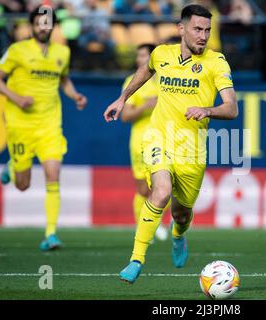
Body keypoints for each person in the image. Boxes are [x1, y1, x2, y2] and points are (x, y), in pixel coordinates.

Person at [103, 4, 238, 284]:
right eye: (198, 29)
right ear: (182, 29)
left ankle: (179, 236)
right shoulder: (162, 54)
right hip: (158, 138)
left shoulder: (216, 62)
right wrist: (123, 98)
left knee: (181, 212)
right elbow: (146, 68)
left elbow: (232, 108)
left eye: (207, 30)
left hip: (192, 149)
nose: (203, 35)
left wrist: (208, 110)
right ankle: (136, 259)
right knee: (161, 191)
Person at [0, 5, 88, 251]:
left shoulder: (62, 52)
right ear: (32, 26)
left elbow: (63, 78)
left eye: (48, 23)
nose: (44, 27)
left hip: (49, 124)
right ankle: (13, 163)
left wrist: (74, 95)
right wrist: (16, 98)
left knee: (53, 175)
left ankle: (51, 234)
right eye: (39, 23)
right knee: (22, 185)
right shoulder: (17, 50)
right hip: (20, 123)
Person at [120, 43, 168, 242]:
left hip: (165, 141)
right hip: (140, 142)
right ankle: (143, 227)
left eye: (144, 56)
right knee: (143, 190)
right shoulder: (132, 82)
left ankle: (154, 224)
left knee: (164, 187)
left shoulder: (168, 80)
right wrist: (145, 107)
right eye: (138, 55)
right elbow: (125, 116)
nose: (140, 59)